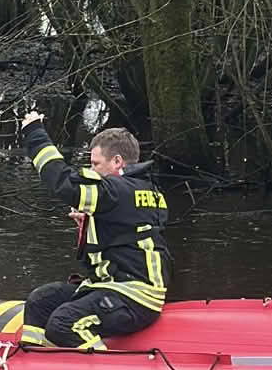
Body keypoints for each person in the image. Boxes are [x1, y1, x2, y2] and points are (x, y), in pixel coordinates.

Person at [18, 110, 171, 350]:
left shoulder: (114, 191)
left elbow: (62, 183)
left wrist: (34, 132)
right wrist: (89, 224)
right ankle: (32, 363)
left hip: (134, 297)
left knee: (63, 323)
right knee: (41, 300)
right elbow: (126, 231)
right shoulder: (145, 189)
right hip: (113, 286)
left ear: (117, 162)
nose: (93, 169)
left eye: (96, 164)